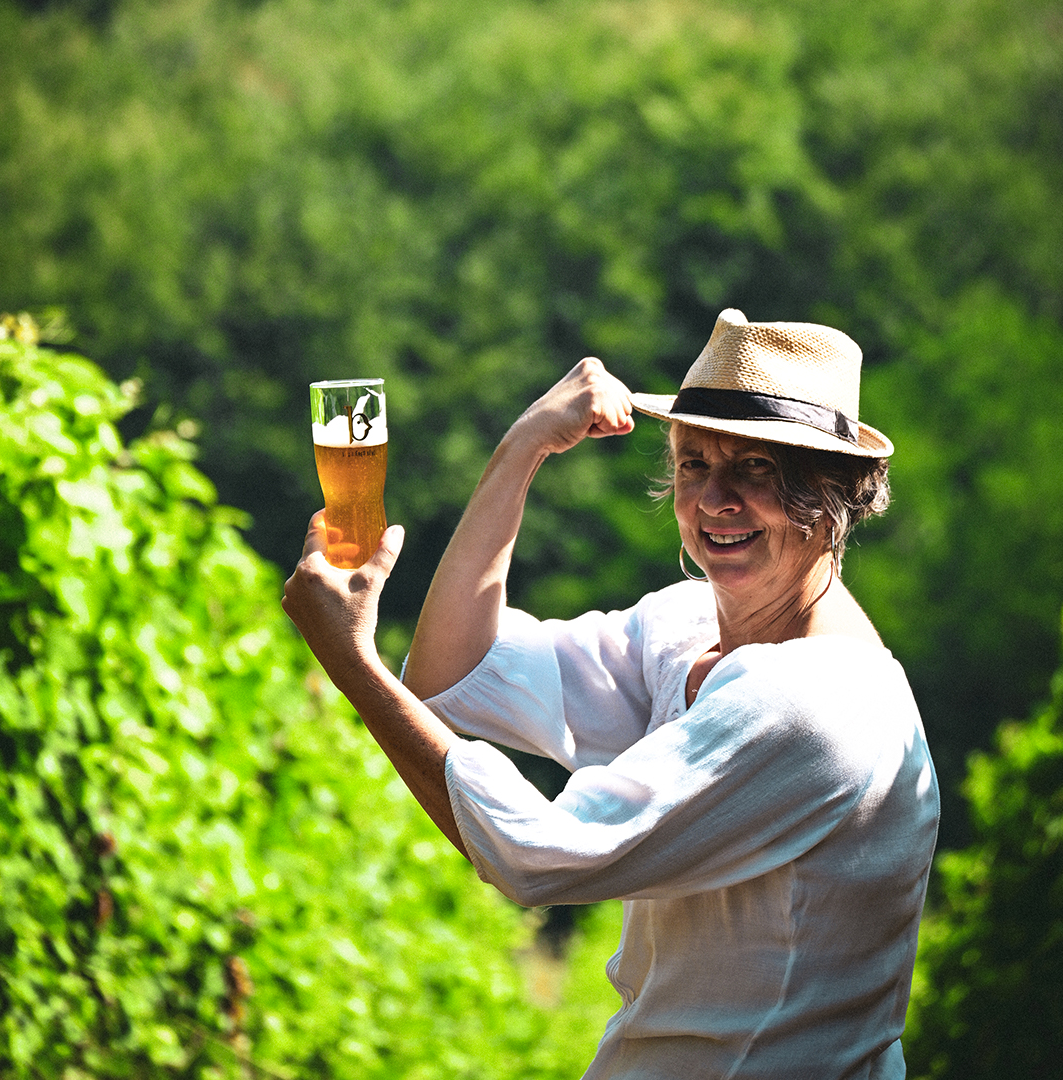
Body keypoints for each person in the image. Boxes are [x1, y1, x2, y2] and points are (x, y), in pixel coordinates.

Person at [282, 308, 940, 1079]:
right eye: (693, 463)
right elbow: (452, 675)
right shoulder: (690, 625)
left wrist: (352, 665)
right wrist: (521, 448)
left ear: (841, 495)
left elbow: (532, 856)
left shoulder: (811, 706)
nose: (712, 500)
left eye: (756, 469)